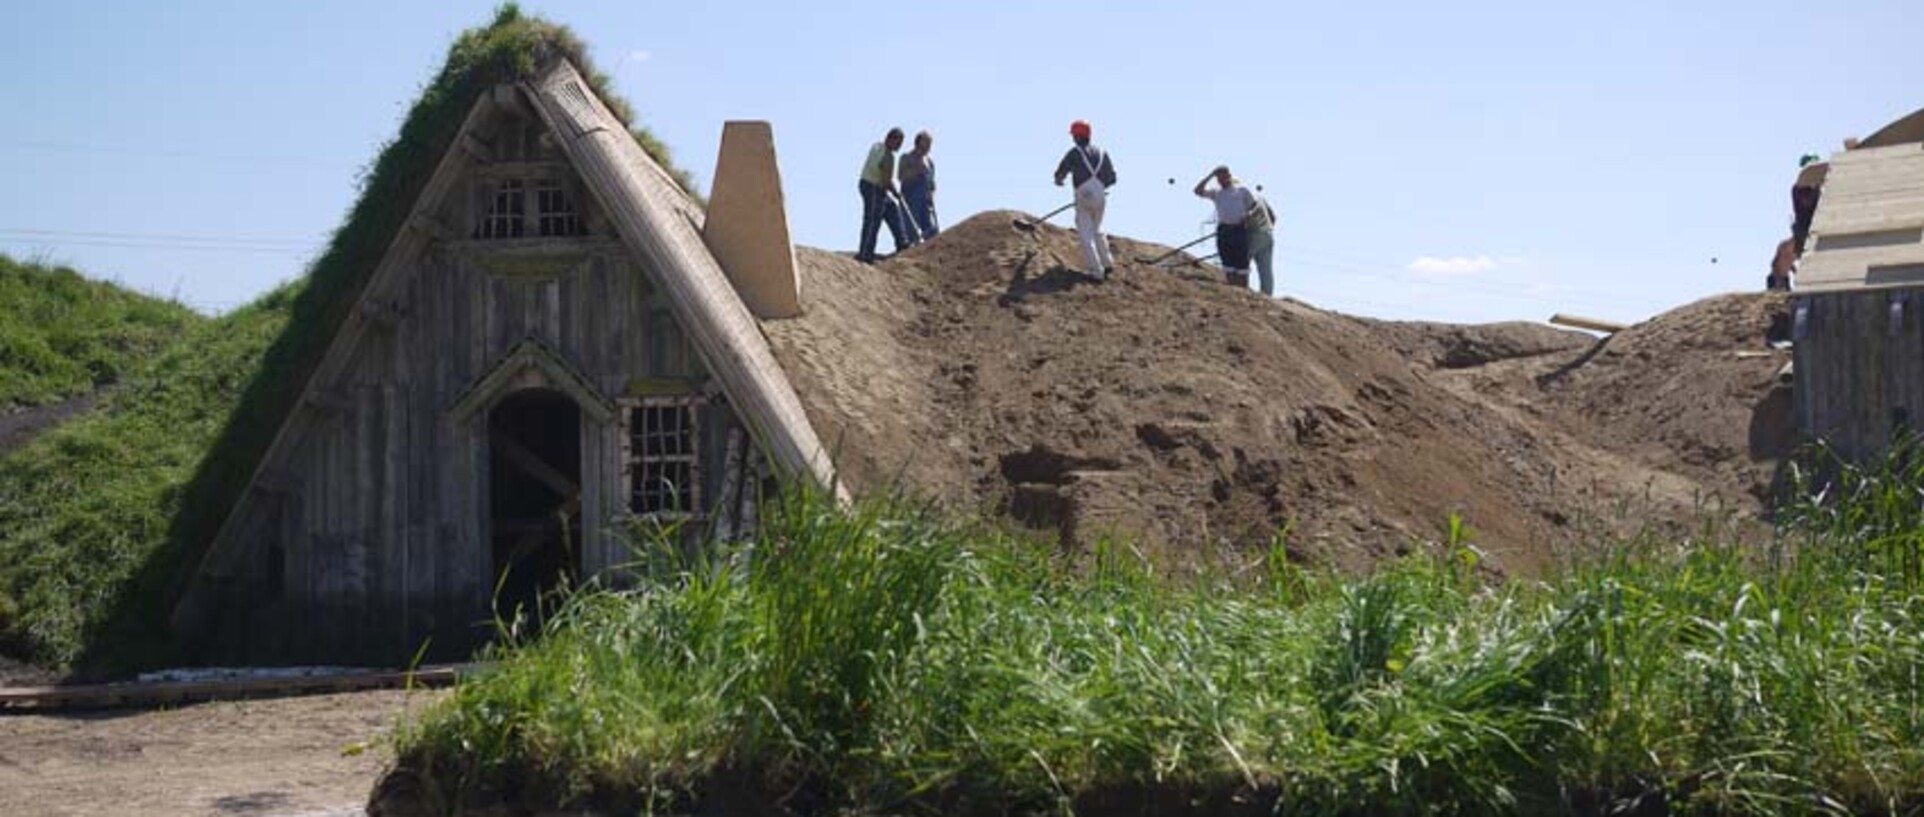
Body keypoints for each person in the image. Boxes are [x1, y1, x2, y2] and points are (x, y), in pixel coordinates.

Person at [1053, 120, 1118, 281]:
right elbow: (1112, 178)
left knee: (1085, 234)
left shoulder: (1075, 152)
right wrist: (1100, 187)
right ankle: (1108, 263)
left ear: (1076, 136)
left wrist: (1058, 180)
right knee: (1097, 229)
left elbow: (1062, 170)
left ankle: (1096, 272)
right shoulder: (1103, 153)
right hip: (1101, 197)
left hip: (1083, 195)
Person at [1193, 165, 1259, 288]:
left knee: (1241, 263)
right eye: (1219, 178)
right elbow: (1197, 191)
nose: (1221, 180)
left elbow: (1254, 206)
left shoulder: (1241, 190)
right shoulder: (1216, 193)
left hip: (1239, 229)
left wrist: (1249, 214)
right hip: (1224, 230)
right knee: (1227, 262)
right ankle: (1232, 288)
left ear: (1229, 176)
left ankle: (1243, 291)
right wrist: (1210, 175)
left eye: (1223, 176)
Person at [857, 128, 914, 263]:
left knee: (892, 208)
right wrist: (896, 192)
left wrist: (893, 192)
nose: (899, 146)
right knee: (872, 220)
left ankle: (902, 242)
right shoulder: (887, 156)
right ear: (890, 139)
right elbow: (886, 180)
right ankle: (865, 254)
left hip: (875, 187)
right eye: (898, 142)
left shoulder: (877, 146)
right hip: (873, 187)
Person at [899, 131, 939, 239]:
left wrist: (932, 192)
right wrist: (917, 170)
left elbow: (932, 182)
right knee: (911, 231)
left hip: (926, 202)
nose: (928, 147)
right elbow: (901, 176)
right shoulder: (906, 157)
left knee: (931, 229)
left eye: (929, 144)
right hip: (910, 199)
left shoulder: (929, 162)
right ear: (918, 143)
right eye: (926, 143)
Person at [1245, 189, 1279, 296]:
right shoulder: (1261, 199)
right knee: (1266, 268)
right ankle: (1267, 295)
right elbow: (1273, 217)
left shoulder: (1243, 198)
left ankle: (1241, 288)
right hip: (1267, 234)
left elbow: (1246, 219)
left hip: (1254, 233)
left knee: (1242, 261)